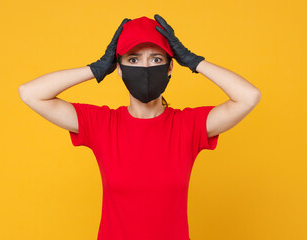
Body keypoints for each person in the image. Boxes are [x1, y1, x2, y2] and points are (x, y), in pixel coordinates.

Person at [19, 14, 261, 240]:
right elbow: (30, 93)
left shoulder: (188, 126)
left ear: (169, 67)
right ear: (119, 68)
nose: (145, 68)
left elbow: (248, 96)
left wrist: (194, 61)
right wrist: (95, 69)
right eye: (133, 59)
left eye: (156, 59)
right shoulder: (102, 124)